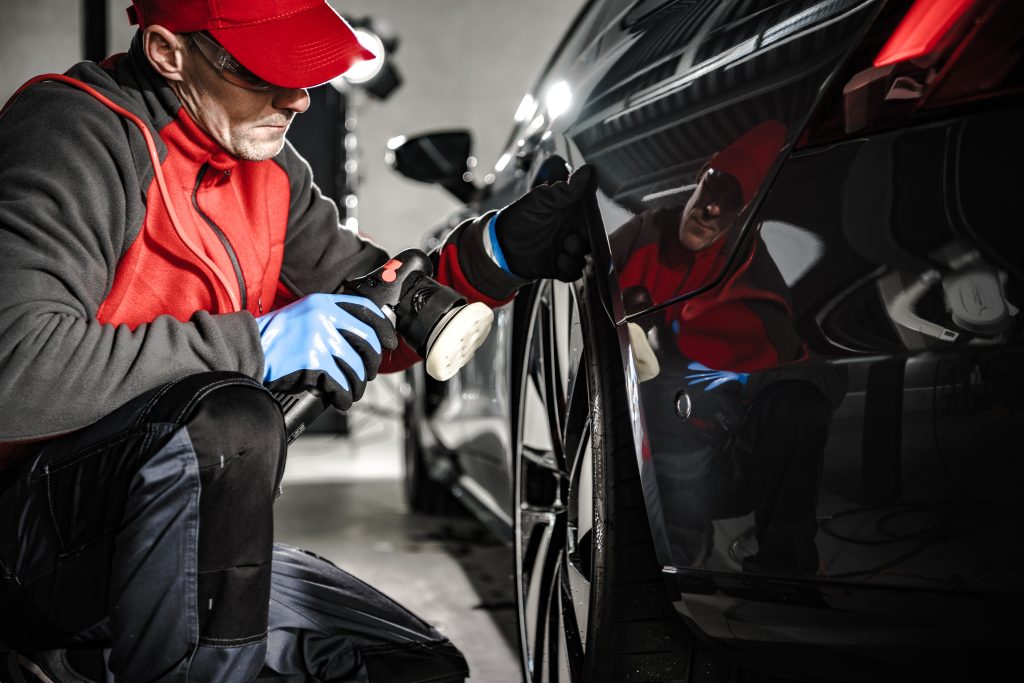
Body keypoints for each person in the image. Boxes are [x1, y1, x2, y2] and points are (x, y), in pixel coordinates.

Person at [0, 0, 594, 680]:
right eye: (262, 72)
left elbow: (374, 305)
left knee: (410, 666)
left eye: (302, 70)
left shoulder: (269, 169)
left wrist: (498, 255)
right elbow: (14, 369)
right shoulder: (71, 134)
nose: (298, 98)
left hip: (167, 535)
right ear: (168, 53)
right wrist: (256, 344)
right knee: (230, 422)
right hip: (31, 547)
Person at [612, 121, 846, 576]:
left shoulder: (751, 274)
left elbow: (820, 374)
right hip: (654, 449)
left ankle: (788, 565)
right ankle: (674, 534)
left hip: (725, 457)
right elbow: (587, 296)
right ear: (700, 176)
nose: (711, 208)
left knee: (799, 408)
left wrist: (738, 384)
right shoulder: (644, 235)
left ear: (741, 215)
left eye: (731, 202)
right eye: (714, 186)